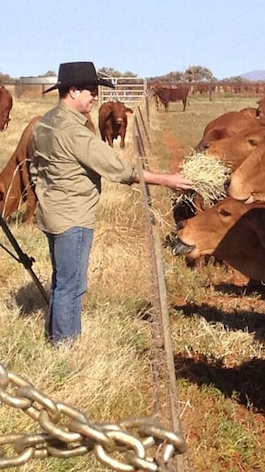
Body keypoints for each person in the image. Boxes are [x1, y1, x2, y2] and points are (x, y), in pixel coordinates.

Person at [32, 61, 193, 344]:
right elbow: (120, 170)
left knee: (61, 280)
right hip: (74, 216)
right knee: (72, 285)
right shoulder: (75, 132)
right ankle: (67, 347)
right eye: (91, 91)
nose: (95, 96)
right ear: (72, 91)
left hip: (51, 212)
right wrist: (169, 180)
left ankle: (56, 337)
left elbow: (35, 168)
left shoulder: (45, 122)